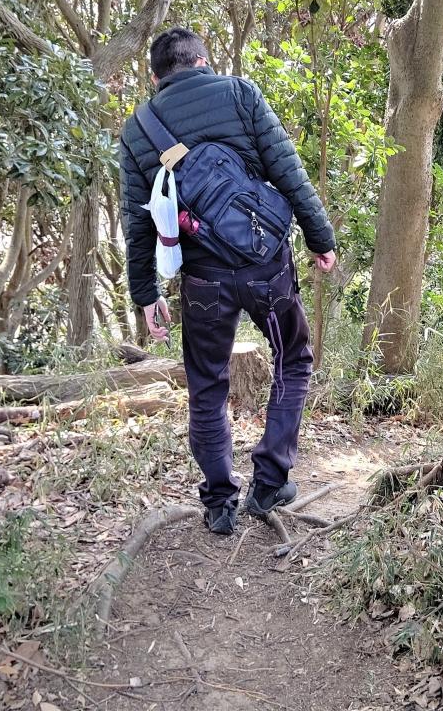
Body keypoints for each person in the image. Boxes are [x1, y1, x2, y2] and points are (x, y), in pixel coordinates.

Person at [119, 28, 337, 535]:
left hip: (202, 280)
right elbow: (287, 170)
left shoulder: (137, 130)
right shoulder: (240, 94)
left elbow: (138, 222)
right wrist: (319, 237)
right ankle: (270, 482)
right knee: (293, 357)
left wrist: (146, 293)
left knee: (206, 383)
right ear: (203, 61)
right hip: (266, 265)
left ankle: (219, 502)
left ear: (155, 77)